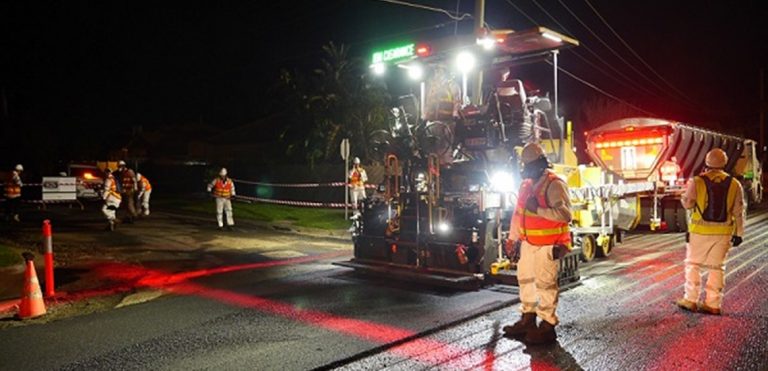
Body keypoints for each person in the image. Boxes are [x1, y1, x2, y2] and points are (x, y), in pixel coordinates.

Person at [503, 143, 572, 345]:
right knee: (526, 280)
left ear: (540, 164)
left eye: (529, 165)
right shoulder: (526, 184)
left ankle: (547, 326)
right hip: (528, 243)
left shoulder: (554, 184)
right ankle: (528, 319)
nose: (526, 170)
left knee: (545, 284)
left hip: (548, 245)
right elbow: (518, 214)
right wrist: (512, 239)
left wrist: (538, 210)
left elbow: (565, 215)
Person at [676, 148, 745, 315]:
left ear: (707, 162)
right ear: (725, 162)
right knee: (717, 267)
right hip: (723, 233)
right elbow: (739, 211)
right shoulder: (735, 184)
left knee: (693, 265)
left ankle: (691, 300)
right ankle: (713, 304)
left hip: (699, 232)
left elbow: (689, 204)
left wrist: (683, 197)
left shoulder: (697, 181)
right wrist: (739, 234)